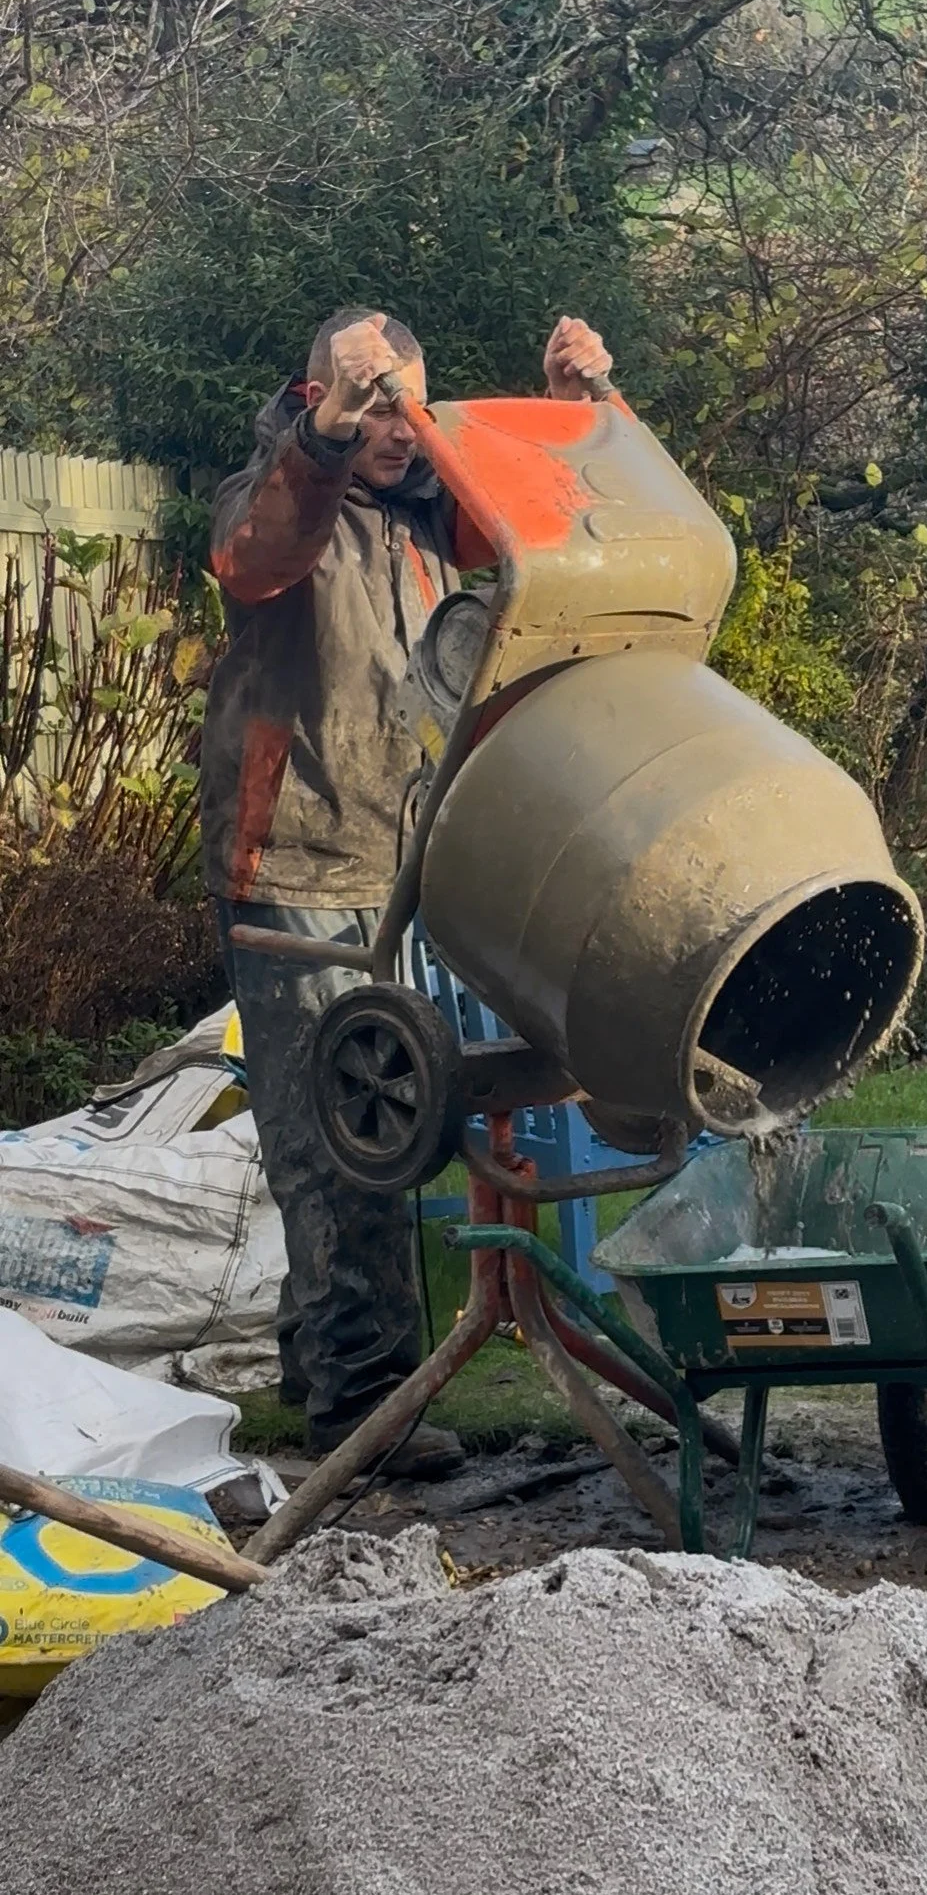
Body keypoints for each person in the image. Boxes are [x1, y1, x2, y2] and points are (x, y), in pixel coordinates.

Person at [200, 308, 613, 1473]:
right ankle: (362, 1417)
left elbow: (569, 529)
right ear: (319, 394)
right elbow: (255, 555)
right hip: (294, 860)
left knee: (356, 1122)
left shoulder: (439, 518)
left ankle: (317, 1360)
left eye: (406, 401)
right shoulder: (279, 493)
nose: (396, 425)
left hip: (404, 862)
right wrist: (324, 440)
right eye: (371, 401)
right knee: (345, 1139)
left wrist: (577, 409)